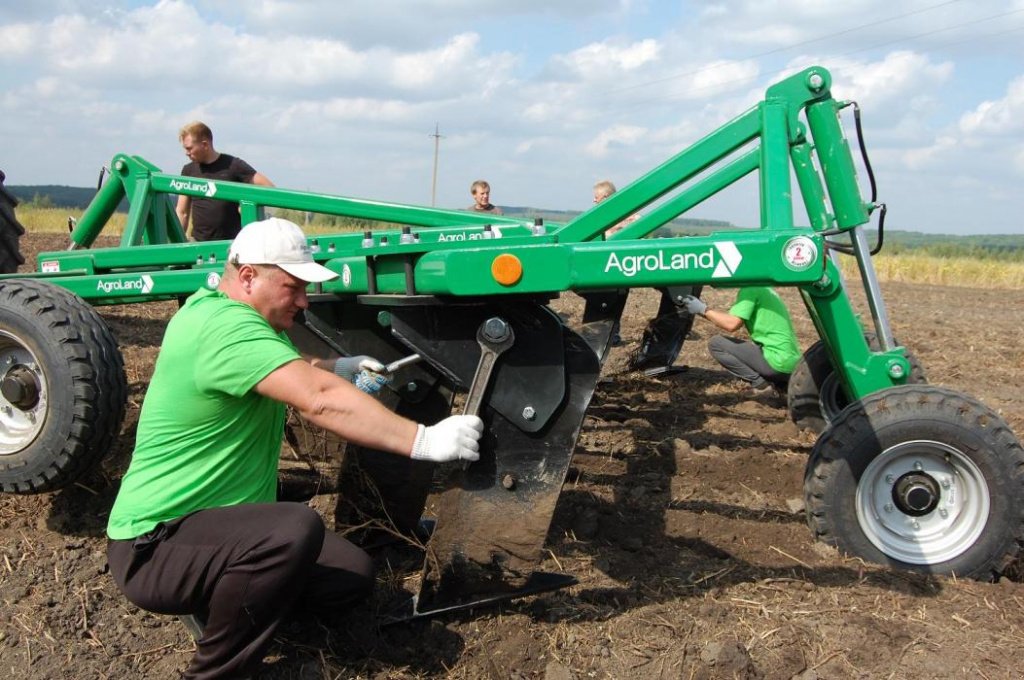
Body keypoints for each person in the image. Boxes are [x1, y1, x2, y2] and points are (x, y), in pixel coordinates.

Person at [106, 217, 483, 679]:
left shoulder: (221, 310)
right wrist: (423, 439)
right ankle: (215, 671)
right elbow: (318, 400)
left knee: (351, 575)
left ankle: (238, 603)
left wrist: (337, 365)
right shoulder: (225, 328)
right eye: (293, 287)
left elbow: (291, 365)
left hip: (216, 525)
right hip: (157, 545)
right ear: (249, 277)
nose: (304, 302)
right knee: (292, 529)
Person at [593, 179, 700, 373]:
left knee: (613, 292)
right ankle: (615, 336)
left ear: (607, 197)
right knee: (613, 292)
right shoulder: (603, 218)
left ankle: (656, 353)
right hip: (617, 267)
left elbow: (639, 237)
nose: (594, 202)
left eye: (597, 198)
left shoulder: (629, 219)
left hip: (632, 265)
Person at [681, 286, 800, 396]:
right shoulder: (765, 288)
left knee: (716, 343)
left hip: (776, 361)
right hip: (793, 364)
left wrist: (703, 309)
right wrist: (703, 310)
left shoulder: (750, 289)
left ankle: (761, 386)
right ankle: (781, 386)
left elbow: (731, 324)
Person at [175, 121, 275, 242]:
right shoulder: (188, 170)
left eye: (189, 148)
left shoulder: (234, 165)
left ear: (205, 145)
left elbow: (269, 187)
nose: (187, 153)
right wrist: (176, 244)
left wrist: (247, 204)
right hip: (198, 243)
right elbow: (182, 211)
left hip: (231, 243)